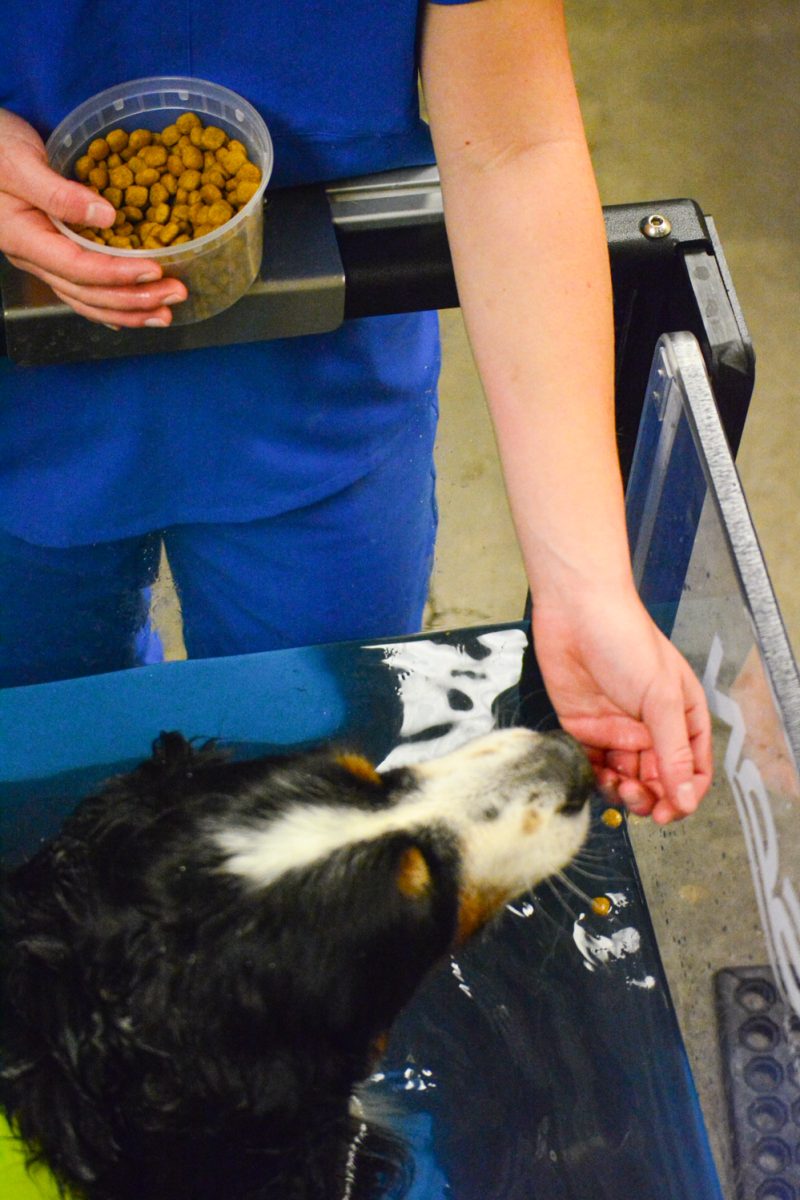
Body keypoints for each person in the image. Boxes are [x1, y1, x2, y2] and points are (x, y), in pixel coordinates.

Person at [0, 0, 711, 824]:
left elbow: (513, 147)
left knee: (320, 765)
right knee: (42, 773)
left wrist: (587, 588)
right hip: (22, 394)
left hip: (324, 371)